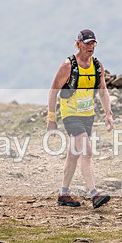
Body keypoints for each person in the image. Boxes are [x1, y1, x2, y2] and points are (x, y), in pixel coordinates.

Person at [47, 29, 114, 209]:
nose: (90, 46)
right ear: (78, 44)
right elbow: (53, 90)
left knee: (73, 154)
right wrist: (51, 118)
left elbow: (102, 90)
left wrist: (108, 114)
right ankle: (94, 194)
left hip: (88, 115)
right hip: (70, 114)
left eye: (93, 43)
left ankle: (63, 194)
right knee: (87, 151)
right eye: (87, 43)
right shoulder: (68, 66)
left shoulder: (97, 65)